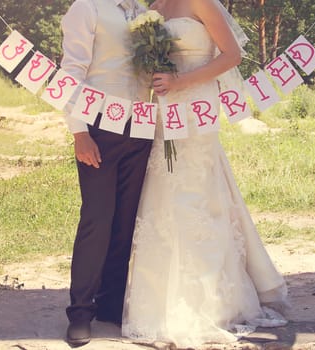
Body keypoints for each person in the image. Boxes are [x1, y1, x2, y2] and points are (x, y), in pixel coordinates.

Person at [122, 0, 288, 347]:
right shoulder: (153, 8)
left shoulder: (202, 1)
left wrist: (181, 82)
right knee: (163, 190)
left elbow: (231, 56)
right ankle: (156, 302)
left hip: (197, 107)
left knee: (195, 193)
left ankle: (208, 303)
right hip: (165, 108)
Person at [60, 0, 152, 346]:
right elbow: (71, 72)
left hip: (141, 125)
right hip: (99, 124)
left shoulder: (144, 11)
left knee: (125, 220)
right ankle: (80, 312)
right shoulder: (87, 7)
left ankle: (110, 306)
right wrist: (79, 132)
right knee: (97, 219)